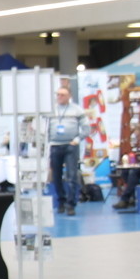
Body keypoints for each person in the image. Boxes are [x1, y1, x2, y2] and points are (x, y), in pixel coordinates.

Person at [47, 85, 87, 215]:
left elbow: (86, 128)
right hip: (55, 145)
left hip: (70, 146)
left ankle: (71, 204)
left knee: (72, 176)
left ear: (69, 96)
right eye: (58, 94)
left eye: (62, 94)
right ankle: (61, 201)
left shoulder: (77, 110)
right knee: (56, 176)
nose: (59, 97)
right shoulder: (51, 110)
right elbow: (43, 126)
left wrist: (77, 139)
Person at [110, 122, 140, 209]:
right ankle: (132, 197)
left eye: (138, 136)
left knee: (134, 173)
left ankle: (125, 199)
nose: (137, 139)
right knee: (125, 172)